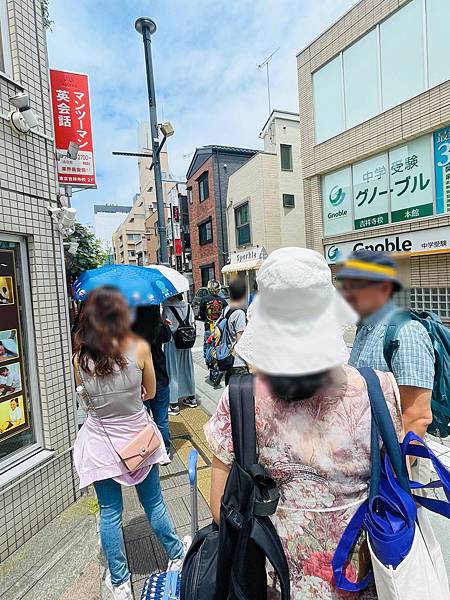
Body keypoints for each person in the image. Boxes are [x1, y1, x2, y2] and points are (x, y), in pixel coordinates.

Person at [205, 247, 402, 599]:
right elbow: (396, 482)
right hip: (362, 578)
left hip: (274, 579)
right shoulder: (380, 389)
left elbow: (221, 508)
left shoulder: (240, 400)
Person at [73, 287, 186, 600]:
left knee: (110, 512)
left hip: (100, 442)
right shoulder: (139, 347)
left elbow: (86, 400)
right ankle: (176, 554)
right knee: (154, 503)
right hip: (138, 440)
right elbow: (150, 392)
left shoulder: (80, 357)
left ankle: (121, 583)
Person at [336, 249, 434, 444]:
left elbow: (417, 416)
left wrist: (395, 469)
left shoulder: (406, 332)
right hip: (369, 453)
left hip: (397, 460)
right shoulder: (365, 328)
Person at [132, 305, 172, 457]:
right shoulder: (160, 328)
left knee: (143, 421)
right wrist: (163, 323)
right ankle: (165, 451)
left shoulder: (132, 329)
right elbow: (168, 337)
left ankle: (146, 451)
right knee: (162, 419)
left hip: (140, 383)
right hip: (160, 379)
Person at [163, 293, 196, 415]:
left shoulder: (167, 307)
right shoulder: (188, 306)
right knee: (188, 369)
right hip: (186, 341)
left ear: (172, 295)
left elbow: (164, 324)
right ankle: (192, 398)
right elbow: (192, 323)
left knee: (172, 372)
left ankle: (174, 404)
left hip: (172, 343)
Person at [221, 277, 248, 385]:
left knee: (230, 394)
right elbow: (240, 339)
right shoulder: (239, 313)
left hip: (228, 357)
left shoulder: (226, 309)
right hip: (238, 362)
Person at [199, 279, 227, 365]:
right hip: (219, 328)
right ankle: (218, 360)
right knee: (219, 344)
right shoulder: (223, 301)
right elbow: (225, 315)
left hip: (208, 326)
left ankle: (208, 362)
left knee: (207, 345)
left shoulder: (204, 299)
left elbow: (201, 314)